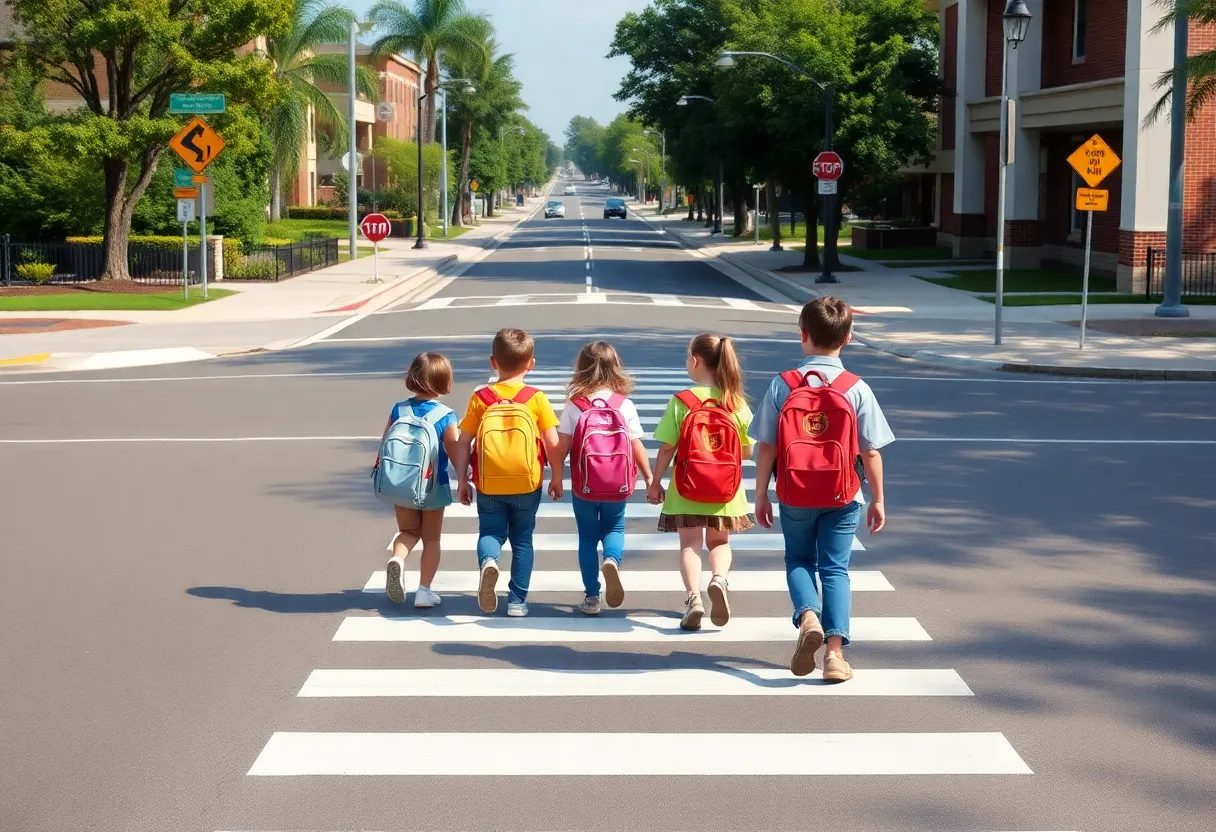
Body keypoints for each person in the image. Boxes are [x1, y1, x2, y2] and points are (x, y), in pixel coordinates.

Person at [751, 297, 895, 682]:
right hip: (843, 494)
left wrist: (762, 493)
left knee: (798, 559)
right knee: (836, 569)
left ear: (803, 335)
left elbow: (766, 445)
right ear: (848, 337)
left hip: (794, 491)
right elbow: (871, 450)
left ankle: (808, 615)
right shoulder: (856, 388)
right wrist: (878, 499)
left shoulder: (782, 385)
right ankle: (834, 656)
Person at [646, 334, 754, 631]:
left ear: (695, 361)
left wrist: (655, 482)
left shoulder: (682, 402)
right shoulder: (736, 402)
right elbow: (747, 449)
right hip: (726, 491)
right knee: (719, 542)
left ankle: (693, 598)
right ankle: (718, 579)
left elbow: (667, 447)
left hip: (687, 487)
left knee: (689, 544)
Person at [453, 328, 562, 617]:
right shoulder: (535, 398)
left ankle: (489, 561)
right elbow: (552, 442)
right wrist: (558, 477)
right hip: (527, 482)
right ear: (531, 364)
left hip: (489, 483)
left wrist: (463, 480)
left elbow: (464, 441)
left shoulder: (481, 397)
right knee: (523, 540)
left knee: (490, 531)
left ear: (493, 362)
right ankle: (517, 601)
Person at [555, 341, 655, 615]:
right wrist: (649, 478)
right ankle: (611, 559)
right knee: (614, 528)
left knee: (587, 537)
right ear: (616, 368)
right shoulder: (624, 404)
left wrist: (554, 477)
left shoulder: (575, 405)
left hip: (584, 485)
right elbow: (635, 445)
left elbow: (561, 448)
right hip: (618, 483)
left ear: (581, 368)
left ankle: (591, 597)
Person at [377, 352, 459, 608]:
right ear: (444, 380)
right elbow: (455, 452)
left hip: (402, 483)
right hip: (434, 486)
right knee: (431, 539)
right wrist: (467, 479)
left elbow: (384, 446)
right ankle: (424, 591)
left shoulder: (398, 409)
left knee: (408, 531)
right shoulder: (445, 415)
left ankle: (398, 560)